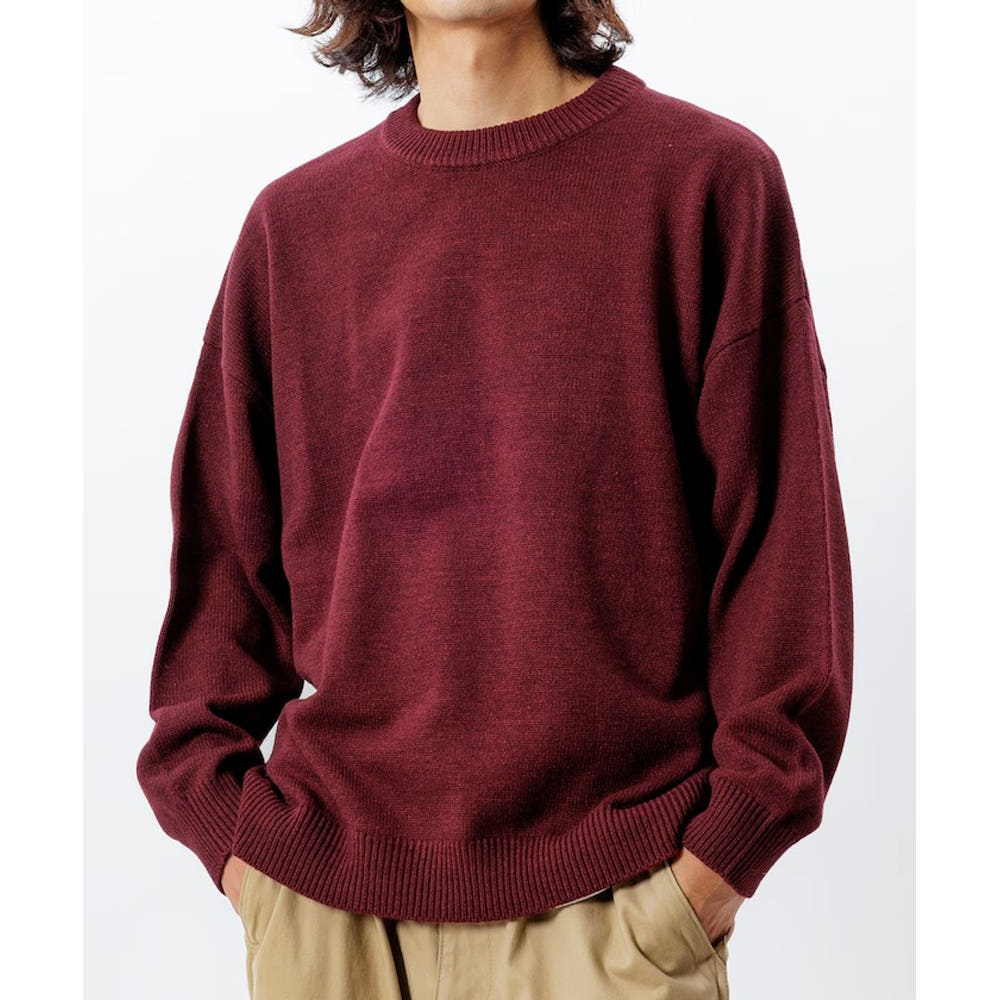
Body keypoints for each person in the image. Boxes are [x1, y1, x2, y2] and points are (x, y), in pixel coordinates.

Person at [136, 2, 854, 997]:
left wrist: (716, 863)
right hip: (330, 918)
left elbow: (781, 546)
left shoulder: (707, 182)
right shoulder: (293, 228)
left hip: (617, 912)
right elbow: (221, 583)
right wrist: (242, 852)